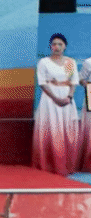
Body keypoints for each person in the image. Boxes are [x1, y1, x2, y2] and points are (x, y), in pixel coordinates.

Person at [35, 33, 81, 174]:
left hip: (67, 100)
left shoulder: (70, 62)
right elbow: (42, 83)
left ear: (65, 46)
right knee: (52, 128)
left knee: (67, 130)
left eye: (60, 44)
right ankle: (49, 165)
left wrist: (69, 97)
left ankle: (66, 165)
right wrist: (56, 99)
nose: (57, 47)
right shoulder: (44, 62)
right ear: (50, 46)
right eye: (54, 44)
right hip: (50, 100)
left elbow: (74, 81)